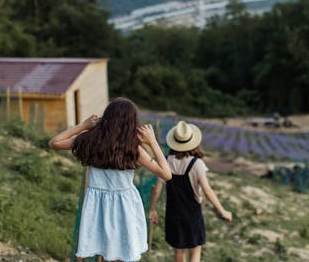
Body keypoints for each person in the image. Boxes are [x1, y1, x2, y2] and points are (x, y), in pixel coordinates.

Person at [48, 97, 172, 262]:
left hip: (97, 203)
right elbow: (166, 174)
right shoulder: (132, 147)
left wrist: (83, 125)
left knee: (105, 253)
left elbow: (55, 143)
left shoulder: (90, 140)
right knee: (124, 252)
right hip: (125, 203)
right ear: (131, 122)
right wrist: (153, 142)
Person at [148, 121, 232, 262]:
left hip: (173, 213)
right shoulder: (197, 164)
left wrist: (153, 209)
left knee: (179, 251)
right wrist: (223, 211)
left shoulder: (167, 161)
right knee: (195, 250)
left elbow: (157, 190)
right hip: (192, 214)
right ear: (193, 142)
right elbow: (207, 191)